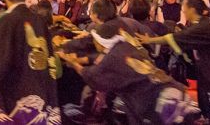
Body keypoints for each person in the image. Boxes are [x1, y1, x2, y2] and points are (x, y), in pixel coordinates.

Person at [60, 18, 199, 125]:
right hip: (175, 92)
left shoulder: (112, 58)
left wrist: (72, 63)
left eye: (95, 41)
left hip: (157, 102)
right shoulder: (126, 46)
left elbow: (92, 76)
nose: (95, 44)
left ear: (102, 41)